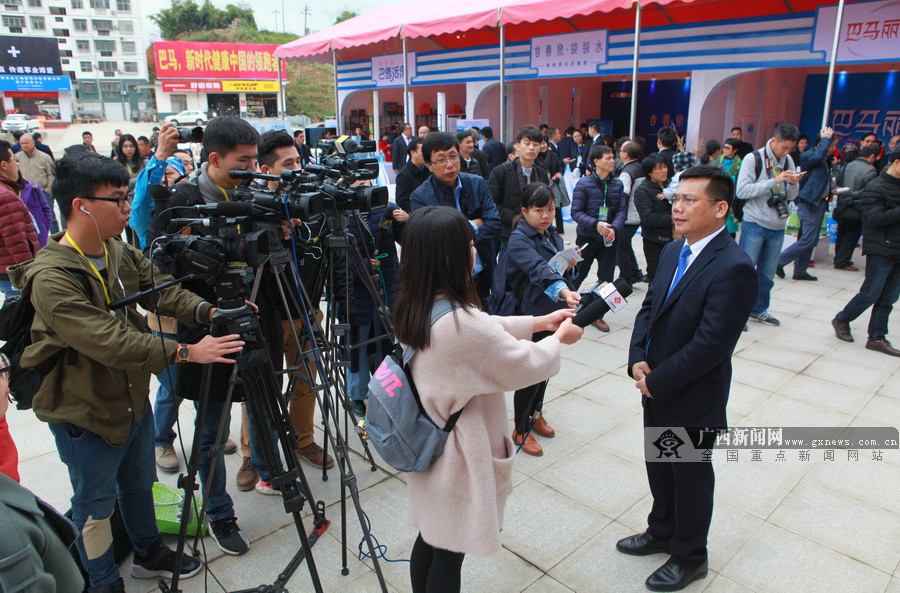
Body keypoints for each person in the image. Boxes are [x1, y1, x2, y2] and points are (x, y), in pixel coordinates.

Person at [8, 151, 243, 592]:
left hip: (131, 399)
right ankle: (100, 581)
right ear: (81, 205)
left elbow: (161, 291)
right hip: (84, 412)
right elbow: (109, 342)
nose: (125, 209)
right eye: (117, 200)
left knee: (139, 486)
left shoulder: (116, 249)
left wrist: (208, 309)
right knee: (94, 504)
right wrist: (188, 352)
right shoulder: (51, 277)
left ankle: (148, 551)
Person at [395, 205, 582, 593]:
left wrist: (536, 323)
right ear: (450, 255)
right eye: (469, 244)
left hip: (432, 440)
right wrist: (557, 338)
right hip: (460, 453)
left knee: (431, 537)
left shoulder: (416, 302)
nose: (475, 249)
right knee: (451, 549)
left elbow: (482, 329)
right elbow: (521, 365)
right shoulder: (463, 323)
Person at [621, 164, 757, 593]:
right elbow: (648, 310)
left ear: (720, 209)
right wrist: (637, 357)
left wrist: (658, 381)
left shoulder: (733, 266)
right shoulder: (675, 251)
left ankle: (690, 555)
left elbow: (711, 345)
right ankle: (662, 529)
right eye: (675, 199)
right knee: (659, 466)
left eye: (688, 200)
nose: (676, 207)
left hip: (691, 395)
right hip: (655, 384)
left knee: (689, 475)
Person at [148, 116, 277, 548]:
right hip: (206, 330)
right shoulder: (181, 201)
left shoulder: (254, 193)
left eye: (256, 162)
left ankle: (272, 472)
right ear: (215, 159)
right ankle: (219, 514)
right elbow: (156, 267)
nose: (251, 171)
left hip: (253, 317)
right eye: (243, 163)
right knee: (210, 431)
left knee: (262, 410)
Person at [506, 183, 579, 457]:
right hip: (531, 315)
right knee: (530, 373)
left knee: (546, 368)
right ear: (524, 211)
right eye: (539, 210)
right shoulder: (519, 239)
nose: (546, 215)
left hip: (552, 310)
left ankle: (536, 414)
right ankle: (520, 428)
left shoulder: (549, 234)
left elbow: (556, 268)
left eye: (550, 208)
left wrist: (569, 267)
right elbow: (539, 271)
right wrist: (562, 289)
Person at [410, 132, 500, 300]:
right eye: (441, 159)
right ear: (429, 165)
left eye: (453, 157)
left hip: (482, 274)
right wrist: (475, 224)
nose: (450, 165)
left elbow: (494, 223)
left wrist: (462, 235)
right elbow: (432, 240)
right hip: (446, 281)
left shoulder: (477, 183)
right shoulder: (420, 197)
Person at [831, 151, 900, 357]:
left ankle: (877, 338)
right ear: (897, 163)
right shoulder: (875, 187)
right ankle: (842, 319)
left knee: (889, 297)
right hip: (880, 247)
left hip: (898, 249)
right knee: (871, 292)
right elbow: (873, 218)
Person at [736, 123, 801, 327]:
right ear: (774, 140)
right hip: (755, 222)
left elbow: (791, 196)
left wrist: (793, 182)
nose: (787, 152)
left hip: (778, 225)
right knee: (746, 271)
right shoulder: (753, 158)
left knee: (767, 273)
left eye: (791, 148)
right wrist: (774, 181)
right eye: (784, 147)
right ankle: (736, 313)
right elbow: (742, 191)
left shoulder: (788, 160)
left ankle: (759, 309)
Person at [570, 144, 626, 332]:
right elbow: (576, 212)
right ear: (596, 161)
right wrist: (596, 224)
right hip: (587, 237)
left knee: (607, 279)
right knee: (578, 274)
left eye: (613, 157)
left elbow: (621, 211)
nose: (612, 161)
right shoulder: (584, 184)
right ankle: (566, 306)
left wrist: (614, 228)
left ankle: (597, 314)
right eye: (608, 158)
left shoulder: (617, 184)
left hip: (609, 239)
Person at [775, 127, 836, 281]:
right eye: (832, 145)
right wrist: (825, 139)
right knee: (809, 238)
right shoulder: (810, 156)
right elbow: (816, 158)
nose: (835, 148)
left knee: (809, 238)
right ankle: (780, 261)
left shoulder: (824, 160)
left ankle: (800, 270)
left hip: (818, 202)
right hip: (809, 202)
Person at [489, 126, 550, 246]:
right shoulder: (501, 172)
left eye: (536, 144)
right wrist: (517, 219)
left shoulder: (541, 173)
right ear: (518, 146)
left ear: (540, 148)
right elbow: (493, 204)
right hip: (509, 234)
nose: (531, 148)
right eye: (527, 143)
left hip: (536, 234)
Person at [0, 141, 41, 299]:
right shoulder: (5, 197)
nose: (16, 164)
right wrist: (28, 276)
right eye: (14, 160)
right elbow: (16, 241)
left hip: (5, 269)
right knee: (19, 317)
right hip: (13, 273)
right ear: (4, 164)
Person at [833, 144, 877, 271]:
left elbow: (839, 182)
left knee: (841, 232)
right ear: (872, 156)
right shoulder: (870, 170)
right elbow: (869, 191)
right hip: (857, 206)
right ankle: (843, 261)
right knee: (851, 235)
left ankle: (839, 258)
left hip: (842, 204)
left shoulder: (848, 165)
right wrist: (853, 194)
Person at [4, 138, 53, 248]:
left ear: (33, 143)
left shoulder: (44, 156)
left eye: (26, 143)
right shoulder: (18, 156)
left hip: (42, 191)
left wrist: (43, 229)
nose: (24, 145)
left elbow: (51, 173)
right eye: (22, 143)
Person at [634, 154, 673, 282]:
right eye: (659, 168)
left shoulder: (671, 186)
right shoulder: (643, 191)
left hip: (674, 240)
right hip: (655, 242)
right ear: (650, 172)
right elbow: (648, 217)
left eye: (665, 166)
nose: (664, 170)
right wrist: (674, 218)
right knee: (656, 279)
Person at [617, 140, 646, 284]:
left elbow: (623, 195)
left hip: (628, 216)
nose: (619, 153)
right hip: (638, 213)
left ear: (626, 154)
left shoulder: (626, 172)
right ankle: (635, 272)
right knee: (626, 245)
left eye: (621, 151)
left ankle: (626, 278)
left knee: (620, 248)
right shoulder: (640, 168)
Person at [715, 138, 743, 237]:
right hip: (717, 198)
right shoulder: (718, 160)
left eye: (728, 148)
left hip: (731, 202)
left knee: (729, 232)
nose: (725, 150)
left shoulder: (740, 164)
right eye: (724, 147)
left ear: (734, 150)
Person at [395, 136, 429, 213]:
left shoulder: (427, 170)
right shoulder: (404, 174)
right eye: (423, 151)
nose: (426, 154)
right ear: (413, 153)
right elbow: (402, 201)